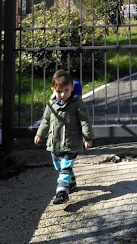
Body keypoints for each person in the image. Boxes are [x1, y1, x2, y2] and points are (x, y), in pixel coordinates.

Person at [34, 69, 94, 204]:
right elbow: (45, 120)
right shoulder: (51, 104)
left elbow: (85, 121)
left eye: (66, 90)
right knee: (59, 167)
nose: (63, 94)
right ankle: (71, 182)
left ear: (72, 87)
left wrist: (87, 137)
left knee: (65, 167)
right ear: (53, 89)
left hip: (71, 142)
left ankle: (62, 192)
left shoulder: (77, 103)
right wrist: (40, 134)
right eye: (59, 91)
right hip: (54, 142)